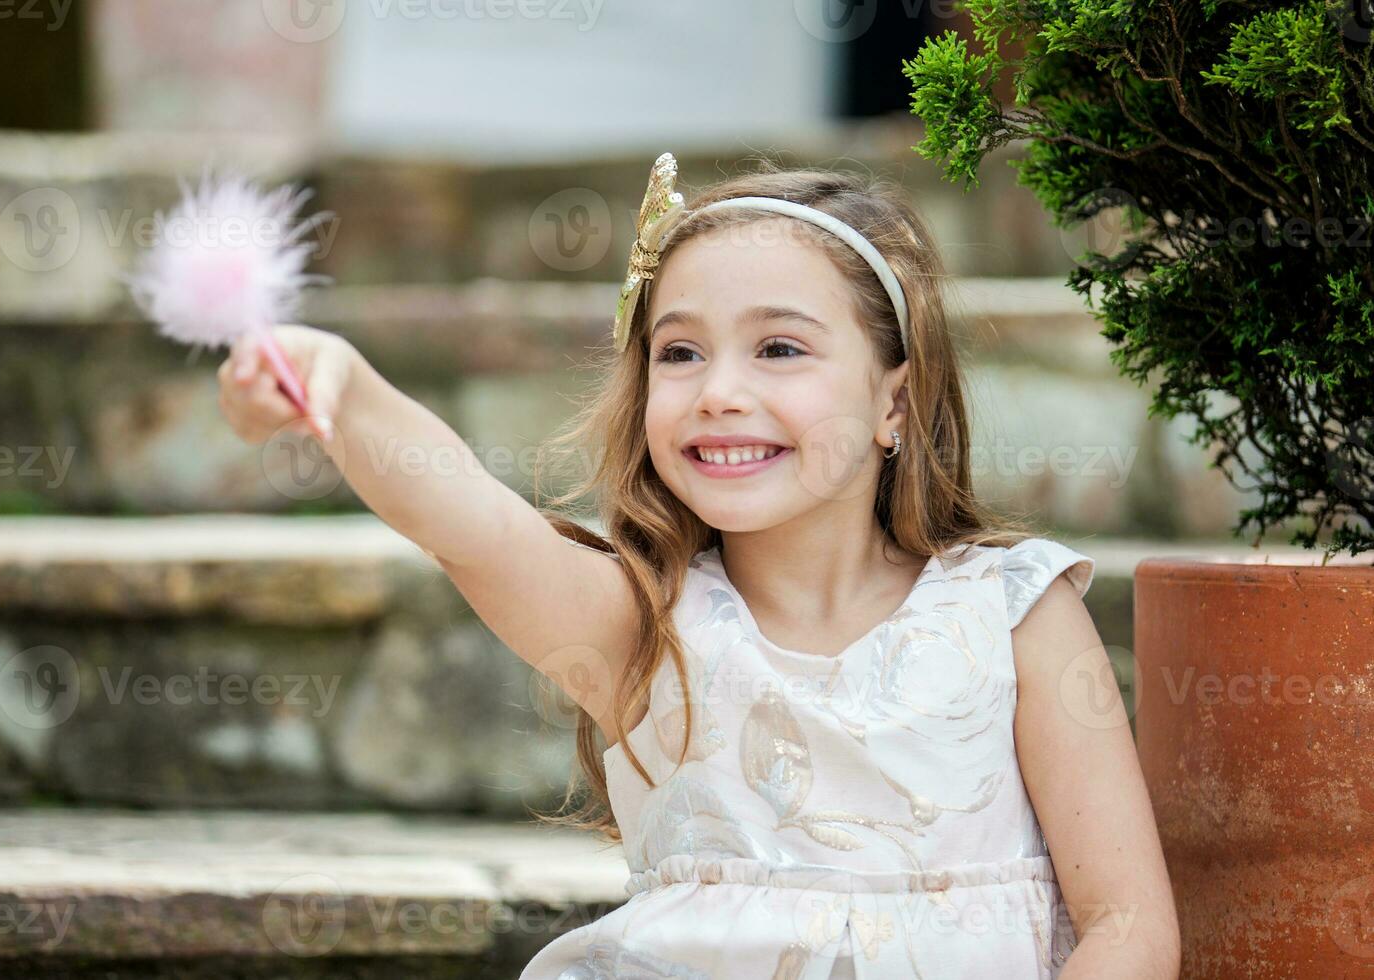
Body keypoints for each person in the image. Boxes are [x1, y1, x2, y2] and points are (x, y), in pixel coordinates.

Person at [216, 152, 1180, 979]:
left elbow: (1128, 926)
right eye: (680, 353)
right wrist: (335, 381)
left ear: (896, 402)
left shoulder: (1013, 614)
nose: (719, 392)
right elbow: (473, 526)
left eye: (778, 348)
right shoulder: (642, 626)